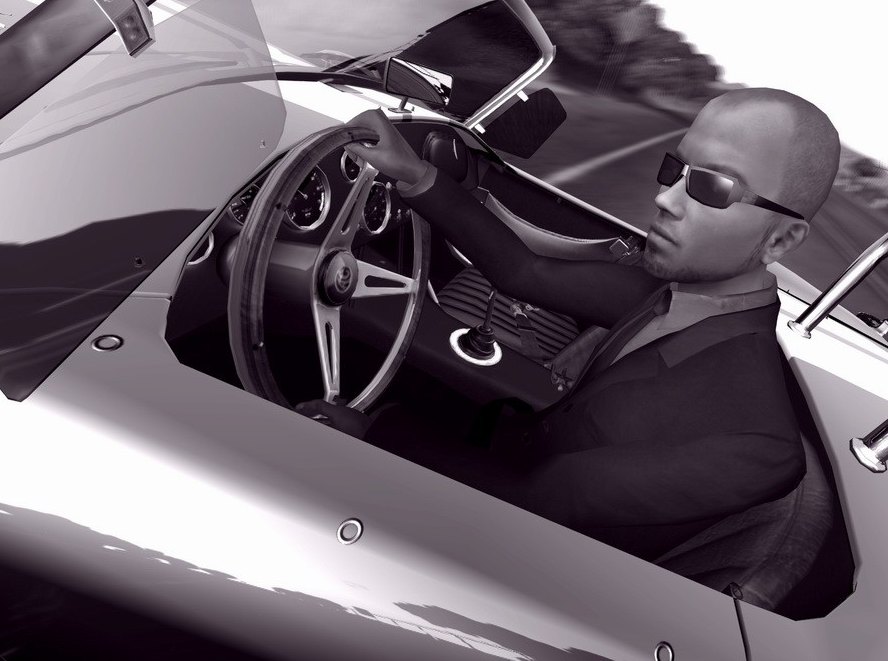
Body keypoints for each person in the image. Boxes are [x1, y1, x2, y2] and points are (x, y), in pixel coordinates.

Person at [302, 87, 841, 561]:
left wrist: (373, 436)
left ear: (781, 239)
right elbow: (524, 272)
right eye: (673, 171)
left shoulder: (757, 444)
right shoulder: (678, 291)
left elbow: (538, 504)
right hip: (511, 455)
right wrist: (415, 173)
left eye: (713, 188)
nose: (664, 199)